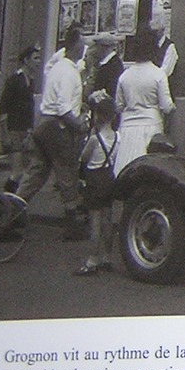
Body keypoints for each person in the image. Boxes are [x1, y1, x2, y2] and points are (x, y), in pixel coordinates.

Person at [17, 26, 88, 240]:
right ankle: (73, 223)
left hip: (43, 124)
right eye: (83, 43)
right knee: (67, 172)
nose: (84, 47)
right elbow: (64, 108)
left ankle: (10, 212)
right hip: (57, 127)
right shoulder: (69, 73)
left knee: (36, 172)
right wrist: (79, 125)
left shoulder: (57, 67)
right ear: (76, 46)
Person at [111, 28, 176, 176]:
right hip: (151, 126)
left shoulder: (124, 76)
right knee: (148, 170)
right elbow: (166, 107)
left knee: (125, 168)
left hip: (128, 127)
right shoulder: (158, 74)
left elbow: (119, 106)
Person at [73, 96, 119, 277]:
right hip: (109, 177)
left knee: (95, 222)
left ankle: (92, 259)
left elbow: (83, 158)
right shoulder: (117, 137)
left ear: (98, 115)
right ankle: (107, 257)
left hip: (94, 179)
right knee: (108, 220)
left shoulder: (94, 139)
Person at [0, 45, 39, 181]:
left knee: (25, 171)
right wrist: (5, 134)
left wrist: (30, 129)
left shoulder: (31, 81)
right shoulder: (14, 80)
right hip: (14, 129)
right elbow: (3, 108)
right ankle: (6, 198)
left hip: (25, 130)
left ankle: (14, 197)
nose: (38, 61)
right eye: (35, 58)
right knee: (17, 172)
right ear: (26, 60)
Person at [86, 32, 124, 105]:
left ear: (104, 47)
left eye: (96, 46)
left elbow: (111, 91)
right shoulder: (104, 64)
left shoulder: (114, 65)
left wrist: (92, 97)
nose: (94, 49)